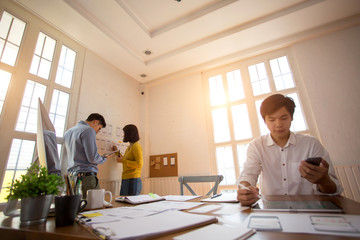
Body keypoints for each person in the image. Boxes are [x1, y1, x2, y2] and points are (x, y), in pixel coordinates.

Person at [237, 94, 342, 206]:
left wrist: (324, 181)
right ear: (265, 121)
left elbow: (334, 190)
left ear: (291, 117)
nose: (278, 125)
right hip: (272, 211)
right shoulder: (257, 145)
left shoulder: (311, 144)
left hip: (308, 210)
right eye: (271, 119)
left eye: (284, 118)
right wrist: (245, 189)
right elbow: (248, 174)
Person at [64, 113, 114, 198]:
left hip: (71, 177)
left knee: (76, 208)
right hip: (86, 178)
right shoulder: (89, 130)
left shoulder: (68, 132)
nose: (97, 132)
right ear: (95, 122)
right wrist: (104, 158)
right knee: (94, 207)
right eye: (99, 128)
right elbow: (92, 158)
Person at [116, 124, 143, 196]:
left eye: (125, 133)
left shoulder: (136, 146)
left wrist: (122, 161)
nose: (123, 135)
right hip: (127, 178)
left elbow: (139, 164)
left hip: (133, 179)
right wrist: (116, 152)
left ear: (129, 134)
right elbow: (124, 160)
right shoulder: (129, 147)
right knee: (124, 202)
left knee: (130, 204)